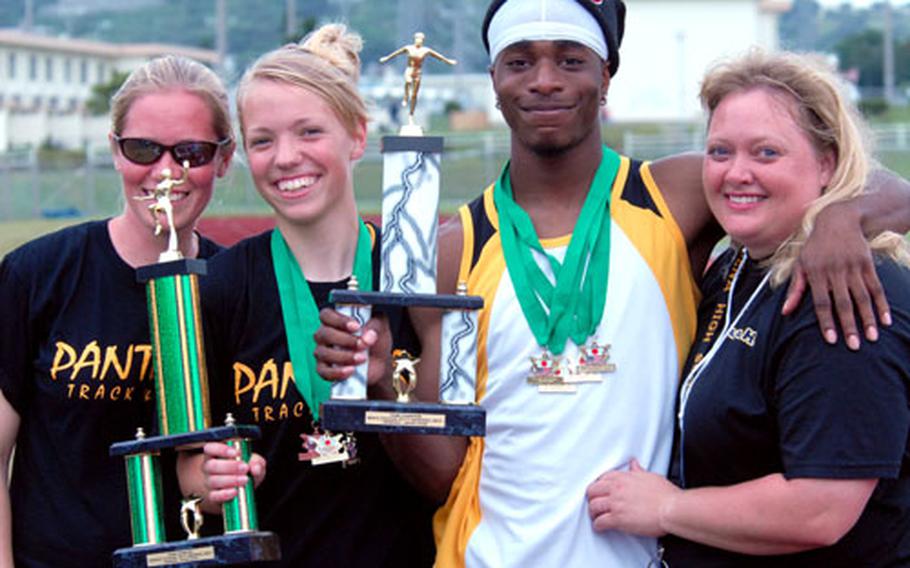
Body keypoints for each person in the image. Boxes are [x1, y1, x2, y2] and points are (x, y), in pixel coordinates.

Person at [314, 1, 910, 567]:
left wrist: (840, 217)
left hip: (656, 552)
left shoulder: (675, 196)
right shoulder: (453, 249)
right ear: (494, 79)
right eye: (520, 61)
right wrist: (380, 393)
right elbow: (447, 470)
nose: (545, 81)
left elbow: (861, 185)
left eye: (571, 60)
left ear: (607, 74)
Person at [586, 49, 910, 566]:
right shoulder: (737, 265)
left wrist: (668, 508)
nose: (737, 173)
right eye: (720, 152)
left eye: (766, 153)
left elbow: (822, 507)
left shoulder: (847, 285)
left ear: (827, 163)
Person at [176, 24, 435, 567]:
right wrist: (214, 479)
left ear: (357, 137)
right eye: (263, 140)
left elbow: (453, 468)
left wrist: (384, 380)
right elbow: (188, 473)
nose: (286, 157)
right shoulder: (222, 288)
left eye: (310, 132)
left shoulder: (415, 278)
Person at [0, 56, 234, 567]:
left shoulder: (237, 290)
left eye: (190, 152)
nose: (166, 172)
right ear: (114, 150)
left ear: (223, 158)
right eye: (143, 149)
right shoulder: (36, 275)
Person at [379, 32, 457, 122]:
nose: (418, 41)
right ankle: (405, 96)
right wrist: (386, 58)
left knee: (414, 95)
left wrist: (448, 61)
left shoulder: (426, 50)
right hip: (409, 69)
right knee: (408, 82)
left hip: (418, 72)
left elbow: (439, 56)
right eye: (417, 39)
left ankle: (411, 114)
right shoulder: (408, 48)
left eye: (420, 40)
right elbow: (396, 53)